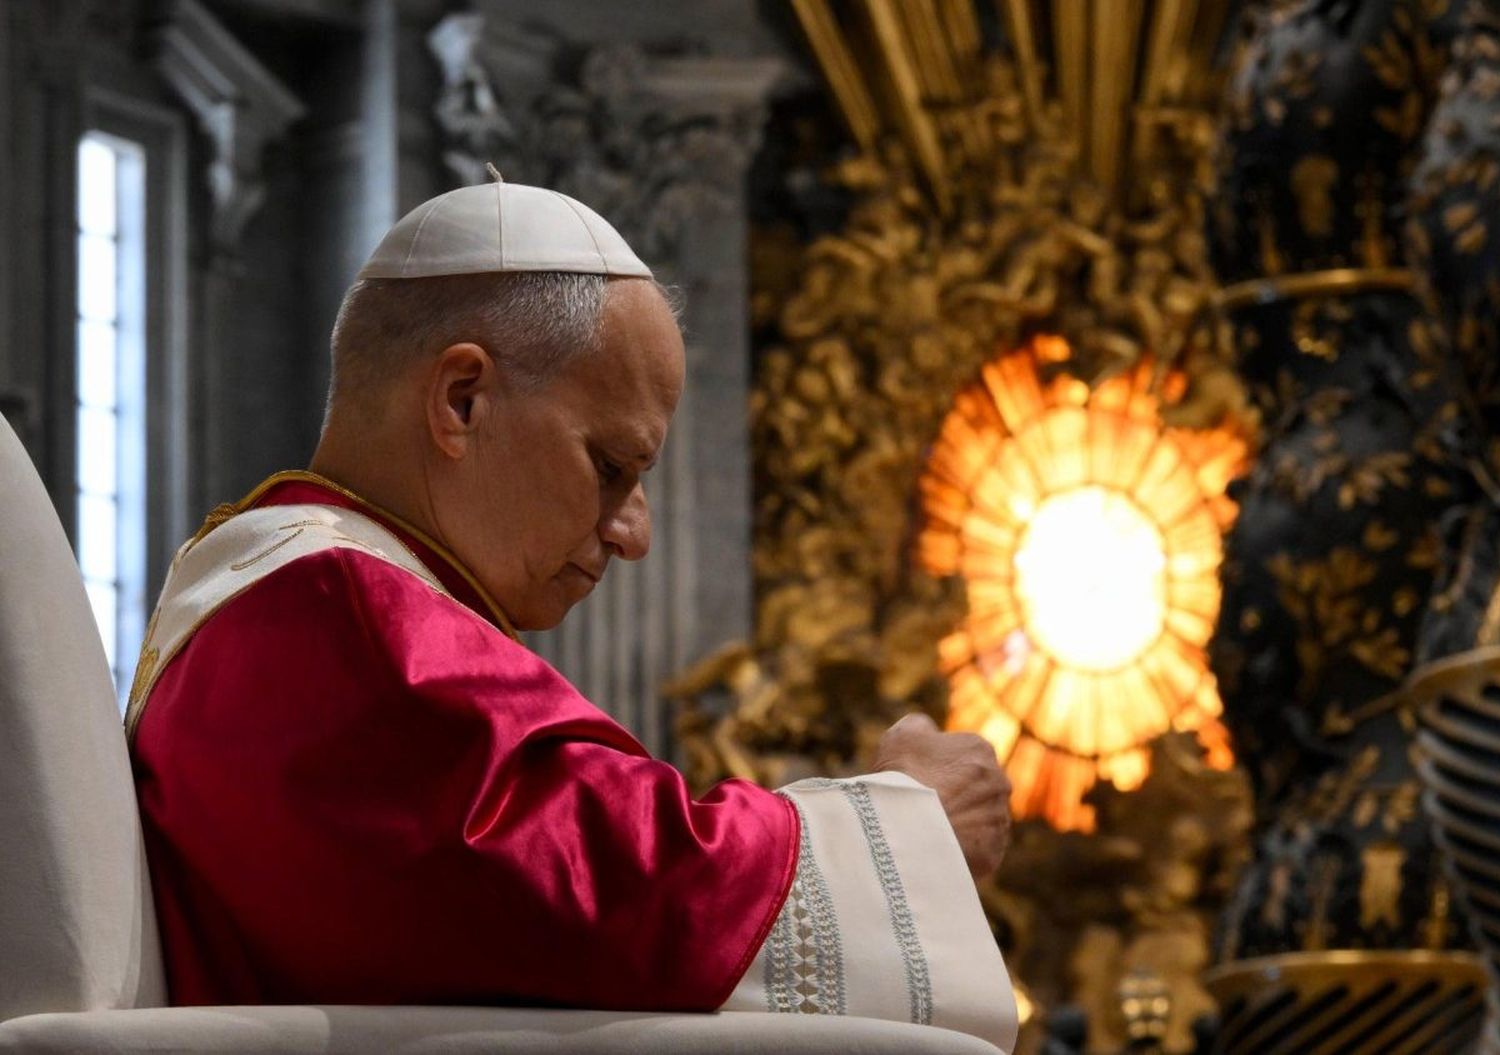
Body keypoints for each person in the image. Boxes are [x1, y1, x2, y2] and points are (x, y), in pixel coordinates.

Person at [126, 175, 1016, 1051]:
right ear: (461, 400)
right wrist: (906, 830)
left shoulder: (291, 598)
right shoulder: (333, 612)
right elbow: (613, 889)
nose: (634, 534)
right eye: (611, 467)